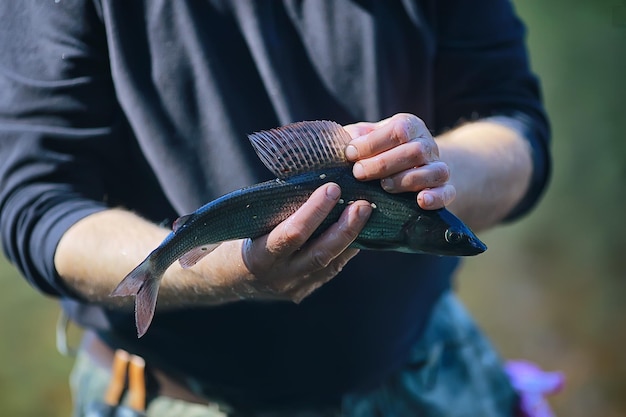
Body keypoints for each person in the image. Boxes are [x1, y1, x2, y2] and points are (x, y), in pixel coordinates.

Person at [0, 1, 551, 416]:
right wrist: (227, 273)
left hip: (427, 375)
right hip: (172, 395)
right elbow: (36, 204)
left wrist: (434, 168)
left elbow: (515, 120)